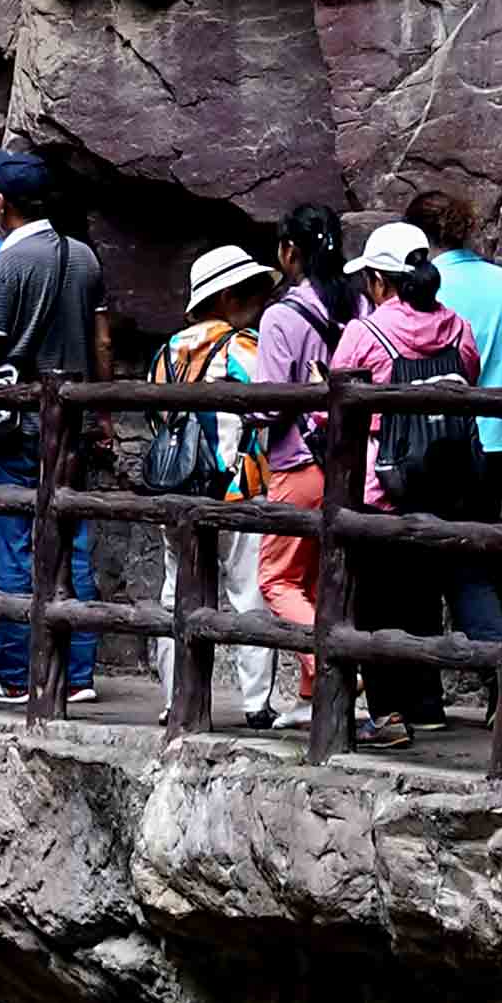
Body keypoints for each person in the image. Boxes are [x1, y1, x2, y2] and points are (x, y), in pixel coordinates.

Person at [0, 144, 109, 700]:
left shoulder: (11, 261)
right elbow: (102, 340)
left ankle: (18, 674)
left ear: (1, 201)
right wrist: (102, 409)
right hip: (70, 419)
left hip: (18, 424)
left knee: (15, 543)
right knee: (73, 539)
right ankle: (80, 673)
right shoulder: (84, 256)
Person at [329, 224, 488, 749]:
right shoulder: (458, 328)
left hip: (385, 483)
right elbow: (470, 374)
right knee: (422, 598)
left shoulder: (367, 333)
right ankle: (429, 704)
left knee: (376, 603)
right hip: (444, 481)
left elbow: (339, 392)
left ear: (379, 281)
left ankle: (389, 713)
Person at [405, 181, 502, 665]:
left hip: (431, 443)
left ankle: (484, 680)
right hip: (494, 441)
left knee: (436, 561)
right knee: (476, 553)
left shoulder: (421, 288)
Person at [147, 242, 276, 724]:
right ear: (225, 298)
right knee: (248, 593)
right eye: (246, 291)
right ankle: (256, 701)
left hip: (176, 488)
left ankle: (174, 698)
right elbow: (271, 404)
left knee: (173, 594)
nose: (253, 299)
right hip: (235, 487)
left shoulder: (165, 353)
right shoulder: (242, 346)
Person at [246, 207, 354, 722]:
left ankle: (337, 675)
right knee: (315, 580)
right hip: (350, 460)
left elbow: (269, 403)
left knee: (277, 581)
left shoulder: (282, 315)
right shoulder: (358, 303)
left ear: (290, 251)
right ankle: (314, 697)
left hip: (299, 460)